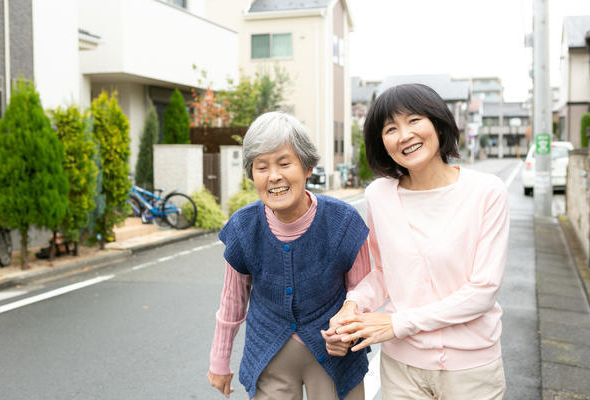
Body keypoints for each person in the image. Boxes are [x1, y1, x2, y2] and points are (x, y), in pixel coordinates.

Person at [328, 84, 509, 399]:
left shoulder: (486, 192)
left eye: (414, 120)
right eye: (390, 128)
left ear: (437, 123)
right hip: (402, 369)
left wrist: (396, 324)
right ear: (382, 143)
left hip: (471, 370)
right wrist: (352, 306)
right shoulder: (379, 195)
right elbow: (383, 271)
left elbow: (483, 291)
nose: (404, 135)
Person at [207, 111, 371, 399]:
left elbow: (364, 289)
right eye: (261, 167)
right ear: (251, 174)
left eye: (285, 163)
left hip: (335, 354)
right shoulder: (244, 227)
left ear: (307, 167)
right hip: (269, 352)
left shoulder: (343, 221)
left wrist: (349, 332)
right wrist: (219, 361)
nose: (274, 176)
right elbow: (233, 300)